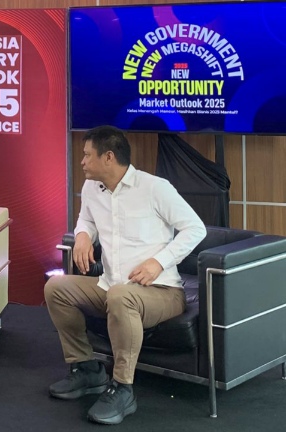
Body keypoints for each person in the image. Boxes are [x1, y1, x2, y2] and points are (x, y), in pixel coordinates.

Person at [44, 125, 206, 424]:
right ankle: (87, 369)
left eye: (87, 155)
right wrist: (82, 235)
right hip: (111, 286)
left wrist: (158, 262)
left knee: (121, 295)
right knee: (57, 287)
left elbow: (196, 229)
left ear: (108, 157)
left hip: (163, 292)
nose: (82, 161)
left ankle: (122, 387)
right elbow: (86, 220)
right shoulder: (92, 188)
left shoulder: (155, 188)